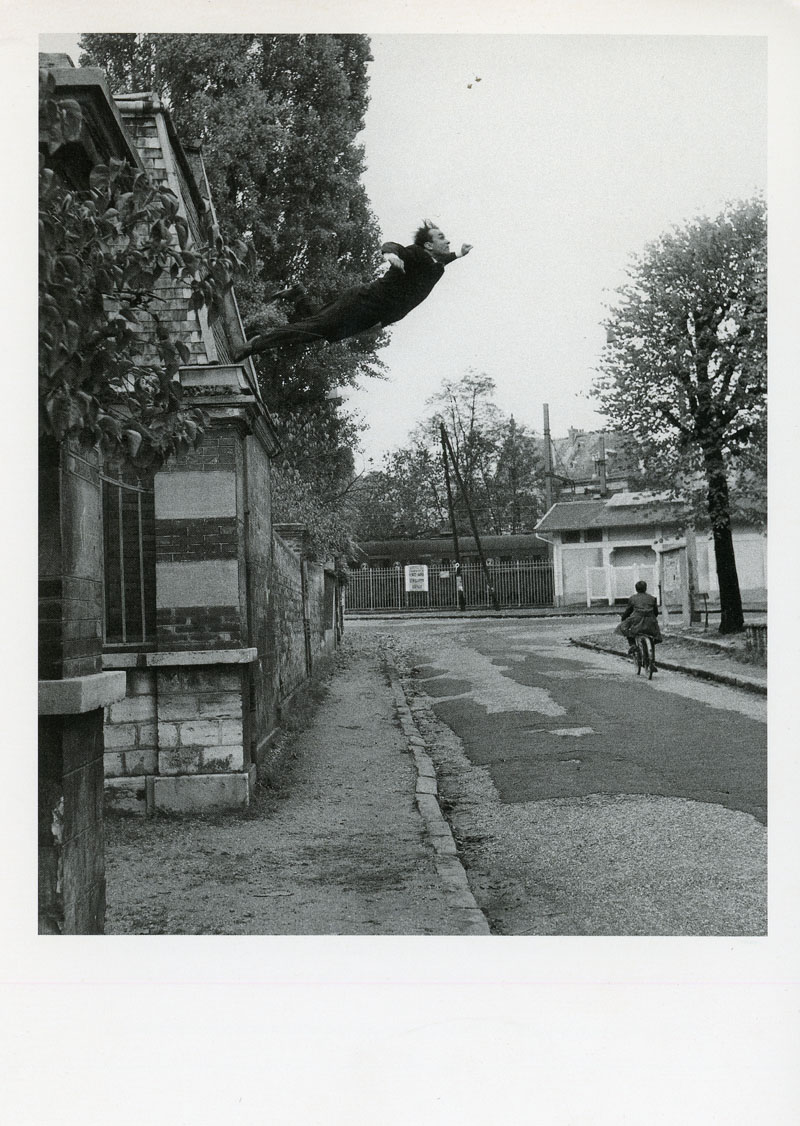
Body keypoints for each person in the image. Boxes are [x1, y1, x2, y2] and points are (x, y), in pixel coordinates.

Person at [233, 222, 473, 361]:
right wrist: (390, 254)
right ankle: (254, 345)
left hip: (372, 316)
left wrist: (459, 254)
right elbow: (394, 246)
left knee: (320, 327)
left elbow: (441, 260)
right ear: (429, 245)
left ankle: (298, 294)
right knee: (314, 329)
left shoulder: (436, 267)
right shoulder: (417, 254)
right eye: (442, 238)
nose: (448, 241)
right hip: (362, 302)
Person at [616, 580, 663, 662]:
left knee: (623, 627)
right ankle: (652, 661)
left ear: (636, 589)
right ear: (646, 588)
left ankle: (632, 644)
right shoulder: (652, 598)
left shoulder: (632, 598)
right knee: (652, 637)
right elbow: (656, 613)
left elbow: (628, 611)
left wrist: (623, 619)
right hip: (650, 622)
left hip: (637, 622)